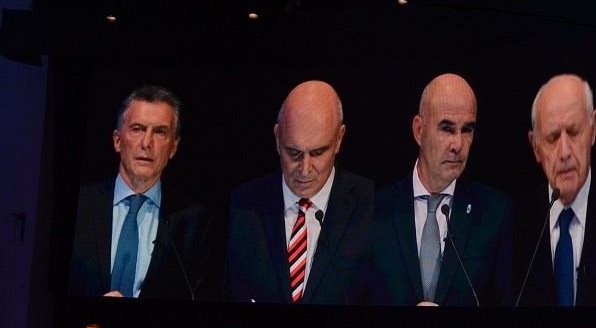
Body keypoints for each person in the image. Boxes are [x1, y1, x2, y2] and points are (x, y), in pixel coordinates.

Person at [366, 73, 513, 306]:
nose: (458, 145)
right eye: (447, 128)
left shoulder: (496, 213)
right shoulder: (374, 211)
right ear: (419, 131)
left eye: (467, 130)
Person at [225, 80, 374, 305]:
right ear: (277, 137)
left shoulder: (372, 205)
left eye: (318, 152)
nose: (305, 169)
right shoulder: (241, 206)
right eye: (293, 153)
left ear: (339, 139)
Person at [515, 74, 596, 306]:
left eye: (574, 132)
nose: (565, 152)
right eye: (552, 138)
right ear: (535, 146)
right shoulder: (516, 223)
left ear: (593, 128)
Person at [69, 85, 213, 300]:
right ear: (118, 140)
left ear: (173, 148)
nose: (147, 143)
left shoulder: (193, 220)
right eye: (137, 129)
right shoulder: (80, 205)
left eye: (160, 132)